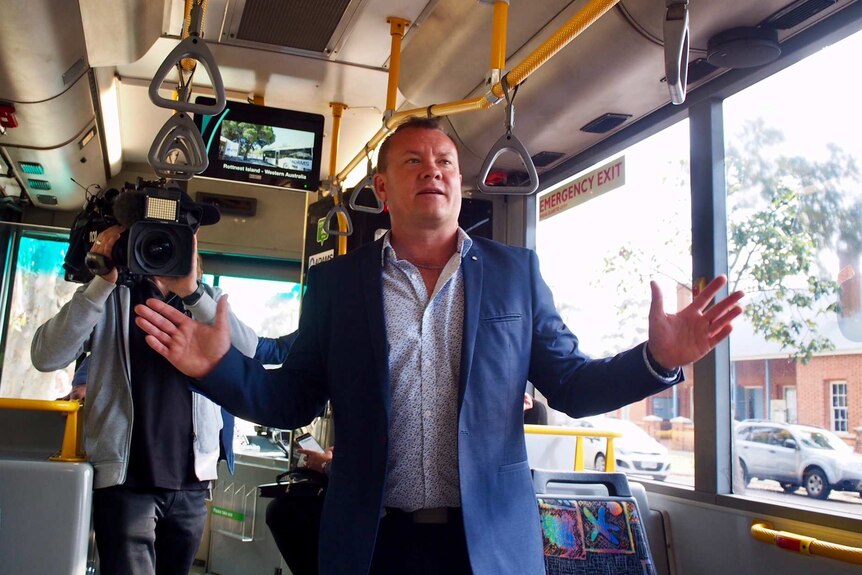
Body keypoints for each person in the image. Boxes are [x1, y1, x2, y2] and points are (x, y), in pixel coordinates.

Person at [133, 117, 744, 575]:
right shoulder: (338, 285)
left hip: (487, 547)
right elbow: (291, 399)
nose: (434, 170)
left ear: (459, 182)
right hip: (373, 544)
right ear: (381, 187)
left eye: (446, 161)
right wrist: (216, 367)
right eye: (414, 162)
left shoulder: (515, 274)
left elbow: (573, 386)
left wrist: (657, 360)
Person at [31, 193, 259, 575]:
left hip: (190, 482)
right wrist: (101, 281)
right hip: (125, 481)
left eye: (172, 236)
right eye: (151, 236)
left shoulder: (205, 300)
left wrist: (193, 291)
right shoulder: (106, 296)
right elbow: (46, 356)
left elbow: (247, 353)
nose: (160, 245)